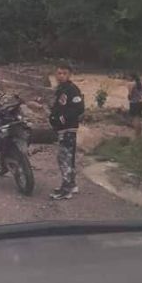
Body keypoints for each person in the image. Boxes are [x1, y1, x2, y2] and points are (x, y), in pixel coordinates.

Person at [49, 64, 85, 200]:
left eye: (64, 73)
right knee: (67, 158)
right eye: (59, 73)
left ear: (69, 75)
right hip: (62, 129)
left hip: (68, 128)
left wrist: (62, 119)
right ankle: (72, 184)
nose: (61, 76)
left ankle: (66, 189)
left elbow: (79, 108)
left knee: (64, 158)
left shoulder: (72, 89)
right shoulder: (60, 89)